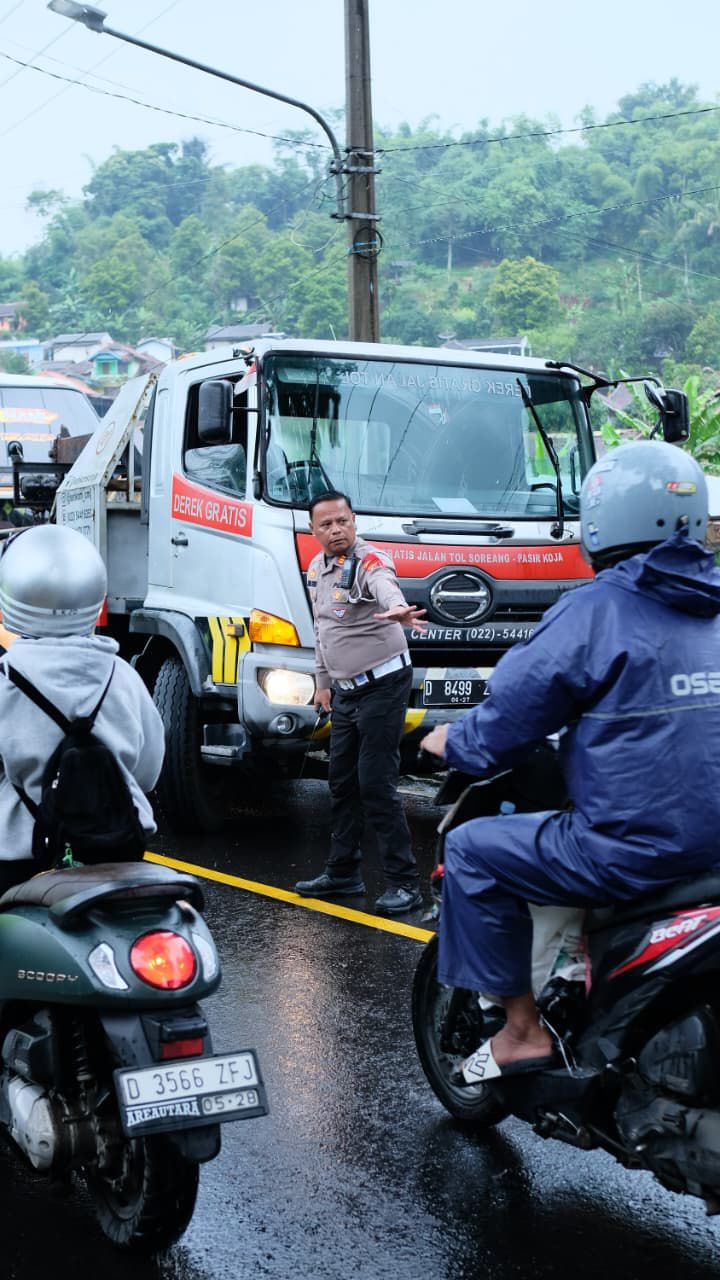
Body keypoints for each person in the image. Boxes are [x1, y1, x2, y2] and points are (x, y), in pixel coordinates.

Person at [420, 440, 720, 1082]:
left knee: (473, 849)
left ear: (598, 519)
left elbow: (512, 713)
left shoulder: (596, 609)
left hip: (632, 850)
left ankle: (522, 1033)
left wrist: (456, 741)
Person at [0, 524, 165, 896]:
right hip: (115, 850)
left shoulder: (5, 681)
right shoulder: (122, 675)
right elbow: (149, 771)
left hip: (20, 860)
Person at [294, 490, 428, 915]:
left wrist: (399, 609)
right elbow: (321, 628)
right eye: (327, 524)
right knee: (341, 783)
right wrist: (323, 681)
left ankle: (405, 884)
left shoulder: (369, 561)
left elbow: (384, 584)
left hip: (383, 686)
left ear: (355, 522)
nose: (337, 530)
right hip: (346, 691)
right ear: (313, 530)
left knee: (376, 783)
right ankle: (343, 874)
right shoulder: (317, 568)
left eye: (343, 522)